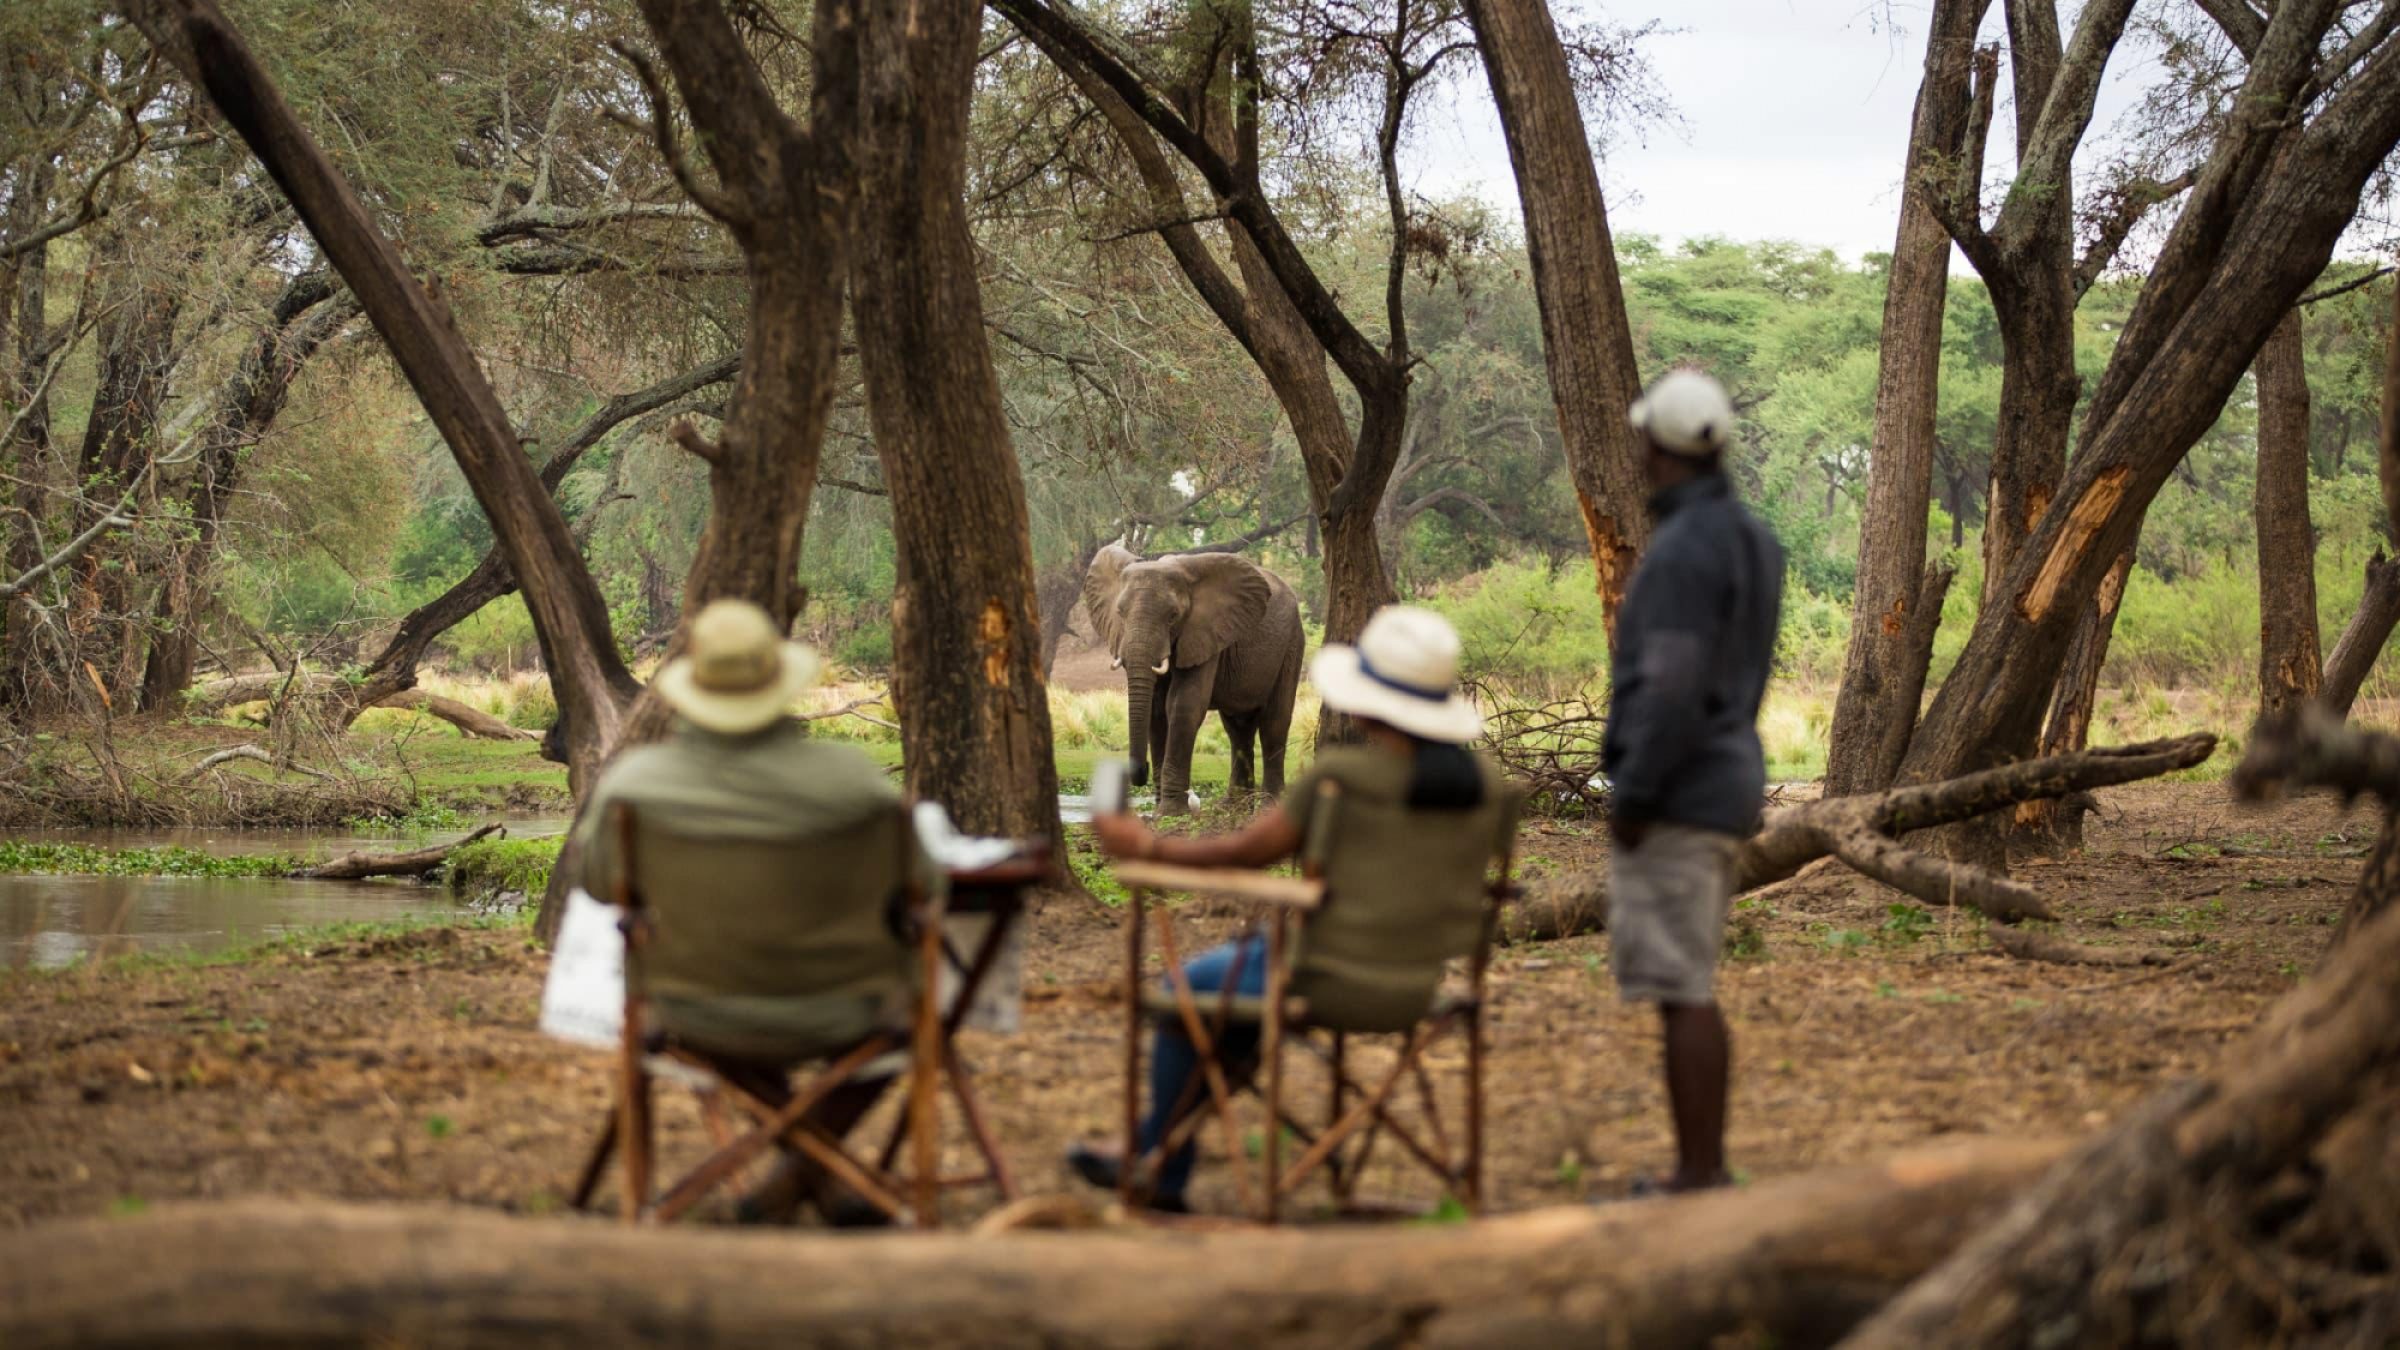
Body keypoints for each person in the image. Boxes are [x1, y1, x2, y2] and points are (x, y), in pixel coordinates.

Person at [1073, 605, 1511, 1212]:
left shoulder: (1341, 779)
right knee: (1231, 1007)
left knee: (1184, 995)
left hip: (1317, 976)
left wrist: (1146, 847)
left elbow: (1242, 856)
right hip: (1418, 986)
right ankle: (1154, 1152)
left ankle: (1159, 1166)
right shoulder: (1484, 790)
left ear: (1364, 704)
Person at [572, 598, 920, 1226]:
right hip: (848, 1009)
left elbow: (601, 886)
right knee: (917, 1021)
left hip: (689, 1005)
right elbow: (924, 889)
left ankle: (793, 1181)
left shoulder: (634, 787)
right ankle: (814, 1178)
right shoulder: (857, 782)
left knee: (739, 994)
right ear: (780, 682)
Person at [1602, 369, 1785, 1194]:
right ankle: (1700, 1170)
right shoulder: (1752, 539)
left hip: (1681, 789)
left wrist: (1636, 794)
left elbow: (1671, 685)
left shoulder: (1681, 551)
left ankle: (1698, 1177)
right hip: (1727, 776)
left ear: (1658, 448)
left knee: (1681, 989)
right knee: (1691, 985)